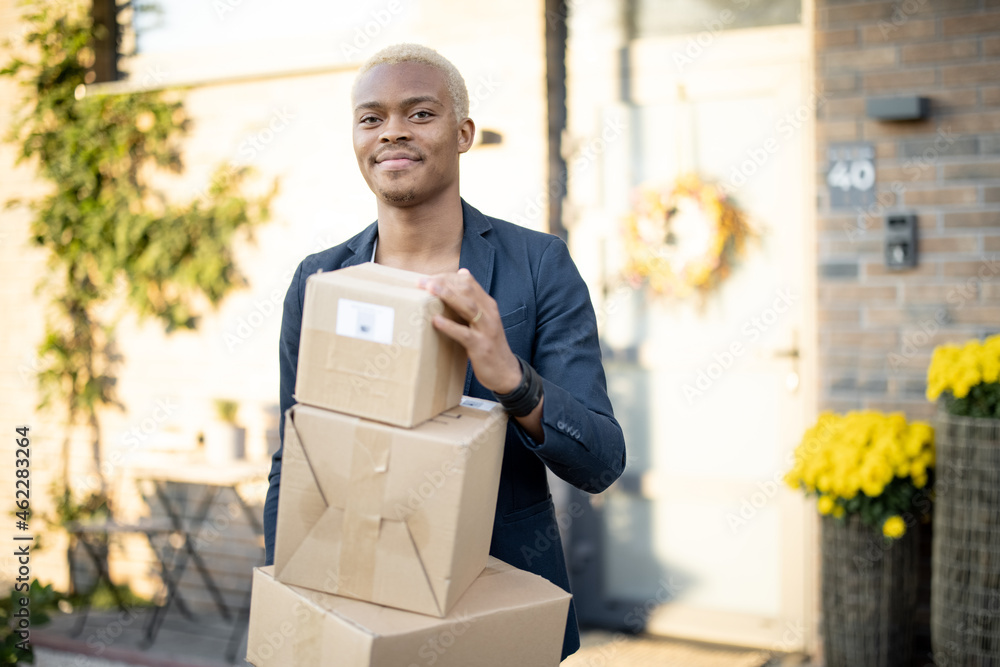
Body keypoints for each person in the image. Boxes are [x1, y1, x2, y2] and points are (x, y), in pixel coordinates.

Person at [263, 43, 626, 660]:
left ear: (463, 134)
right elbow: (293, 458)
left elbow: (601, 460)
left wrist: (514, 380)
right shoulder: (319, 281)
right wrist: (292, 600)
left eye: (420, 114)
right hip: (356, 610)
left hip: (498, 609)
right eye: (371, 118)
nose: (393, 132)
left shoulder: (537, 267)